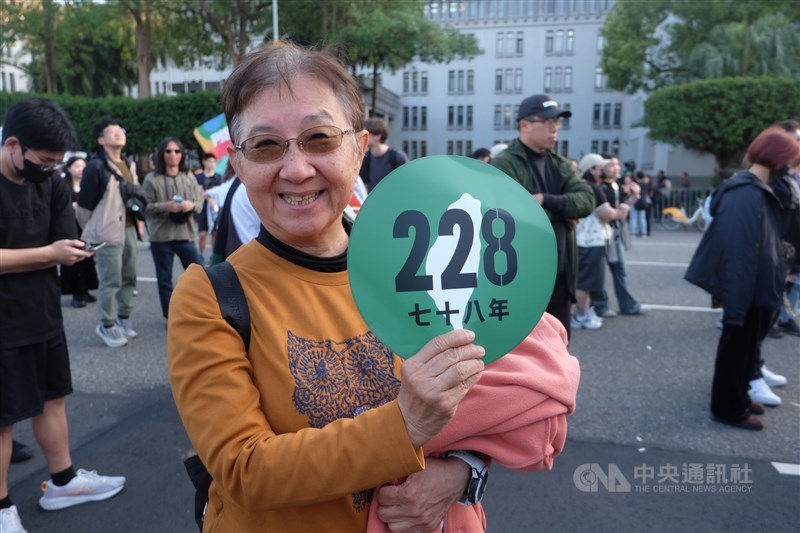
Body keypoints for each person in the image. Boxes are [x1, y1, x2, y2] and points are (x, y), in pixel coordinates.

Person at [168, 42, 577, 533]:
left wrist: (463, 470)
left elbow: (500, 399)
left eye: (319, 138)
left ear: (359, 149)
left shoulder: (425, 257)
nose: (296, 169)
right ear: (237, 163)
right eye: (265, 145)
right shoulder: (210, 296)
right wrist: (405, 426)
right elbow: (244, 469)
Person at [0, 98, 126, 533]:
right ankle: (1, 508)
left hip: (43, 310)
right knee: (4, 415)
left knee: (53, 398)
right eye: (45, 160)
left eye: (57, 162)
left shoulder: (51, 182)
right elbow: (52, 249)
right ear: (13, 144)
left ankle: (64, 481)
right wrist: (49, 254)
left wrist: (65, 252)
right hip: (3, 321)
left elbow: (62, 240)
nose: (53, 169)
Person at [685, 127, 800, 431]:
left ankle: (738, 399)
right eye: (788, 163)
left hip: (757, 286)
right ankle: (727, 409)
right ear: (776, 160)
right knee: (734, 351)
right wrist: (735, 305)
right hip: (746, 290)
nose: (790, 170)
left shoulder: (760, 189)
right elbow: (739, 254)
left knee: (746, 351)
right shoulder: (746, 194)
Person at [491, 94, 594, 338]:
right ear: (524, 125)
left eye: (557, 123)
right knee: (521, 353)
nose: (554, 129)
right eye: (547, 123)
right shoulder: (504, 163)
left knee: (559, 348)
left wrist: (546, 200)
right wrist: (562, 212)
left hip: (560, 273)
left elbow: (587, 199)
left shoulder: (560, 164)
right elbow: (509, 214)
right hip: (522, 276)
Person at [77, 117, 139, 348]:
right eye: (111, 132)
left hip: (131, 229)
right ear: (101, 140)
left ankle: (124, 317)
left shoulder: (129, 164)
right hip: (107, 234)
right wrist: (95, 230)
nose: (118, 134)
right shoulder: (95, 167)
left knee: (130, 277)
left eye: (120, 130)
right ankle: (107, 323)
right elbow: (83, 208)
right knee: (111, 280)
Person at [142, 137, 204, 320]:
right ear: (161, 154)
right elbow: (145, 207)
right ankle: (171, 317)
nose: (173, 155)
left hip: (185, 235)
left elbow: (199, 203)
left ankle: (200, 311)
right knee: (164, 280)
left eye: (177, 151)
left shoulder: (188, 176)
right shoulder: (151, 179)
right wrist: (165, 207)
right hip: (161, 237)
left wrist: (190, 205)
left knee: (200, 276)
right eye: (168, 151)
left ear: (182, 154)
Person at [572, 154, 628, 331]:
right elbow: (607, 214)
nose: (604, 170)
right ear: (592, 170)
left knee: (585, 281)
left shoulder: (581, 185)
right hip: (590, 240)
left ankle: (583, 313)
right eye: (600, 167)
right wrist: (623, 209)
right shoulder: (591, 188)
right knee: (585, 282)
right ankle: (581, 315)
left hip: (585, 239)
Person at [590, 155, 644, 318]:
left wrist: (633, 195)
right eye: (611, 165)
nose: (616, 168)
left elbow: (624, 207)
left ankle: (627, 304)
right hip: (599, 233)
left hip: (615, 232)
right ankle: (599, 305)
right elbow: (609, 212)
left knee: (619, 269)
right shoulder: (597, 186)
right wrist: (620, 211)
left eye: (617, 165)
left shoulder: (617, 185)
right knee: (598, 271)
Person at [59, 156, 99, 308]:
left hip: (86, 227)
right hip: (69, 227)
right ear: (69, 168)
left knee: (88, 259)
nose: (80, 169)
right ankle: (77, 294)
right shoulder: (62, 185)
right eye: (76, 166)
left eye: (83, 166)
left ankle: (86, 290)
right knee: (73, 261)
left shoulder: (88, 184)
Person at [359, 117, 408, 191]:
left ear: (378, 136)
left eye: (368, 134)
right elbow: (364, 188)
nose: (364, 137)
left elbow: (408, 183)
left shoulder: (397, 157)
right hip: (374, 202)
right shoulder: (366, 159)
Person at [194, 152, 222, 258]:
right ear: (204, 162)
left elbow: (220, 192)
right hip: (202, 208)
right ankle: (200, 256)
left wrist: (206, 194)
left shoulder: (219, 177)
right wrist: (207, 196)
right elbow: (197, 191)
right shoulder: (198, 177)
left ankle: (213, 257)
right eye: (209, 161)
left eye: (214, 161)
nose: (211, 163)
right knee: (202, 235)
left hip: (215, 208)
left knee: (215, 234)